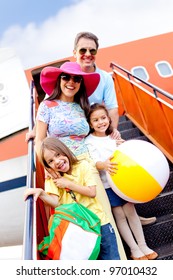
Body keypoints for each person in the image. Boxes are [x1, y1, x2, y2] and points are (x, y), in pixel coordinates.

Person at [34, 61, 127, 259]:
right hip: (60, 166)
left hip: (86, 164)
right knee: (75, 225)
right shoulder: (46, 105)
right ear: (59, 80)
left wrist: (114, 138)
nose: (71, 82)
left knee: (103, 216)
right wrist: (47, 167)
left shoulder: (81, 106)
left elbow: (96, 129)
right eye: (66, 77)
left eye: (76, 79)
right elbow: (39, 140)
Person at [24, 136, 121, 260]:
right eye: (51, 161)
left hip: (100, 222)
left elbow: (92, 192)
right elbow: (55, 202)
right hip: (78, 229)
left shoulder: (82, 166)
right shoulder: (52, 180)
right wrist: (41, 193)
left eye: (58, 154)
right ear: (48, 166)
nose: (57, 161)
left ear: (65, 150)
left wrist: (68, 184)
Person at [85, 103, 158, 260]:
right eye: (95, 120)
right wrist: (103, 165)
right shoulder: (89, 141)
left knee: (131, 211)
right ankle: (134, 249)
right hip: (107, 185)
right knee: (119, 215)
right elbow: (93, 163)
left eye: (103, 118)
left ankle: (143, 245)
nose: (101, 122)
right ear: (90, 124)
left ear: (109, 119)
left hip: (123, 183)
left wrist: (123, 146)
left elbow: (124, 154)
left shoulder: (113, 137)